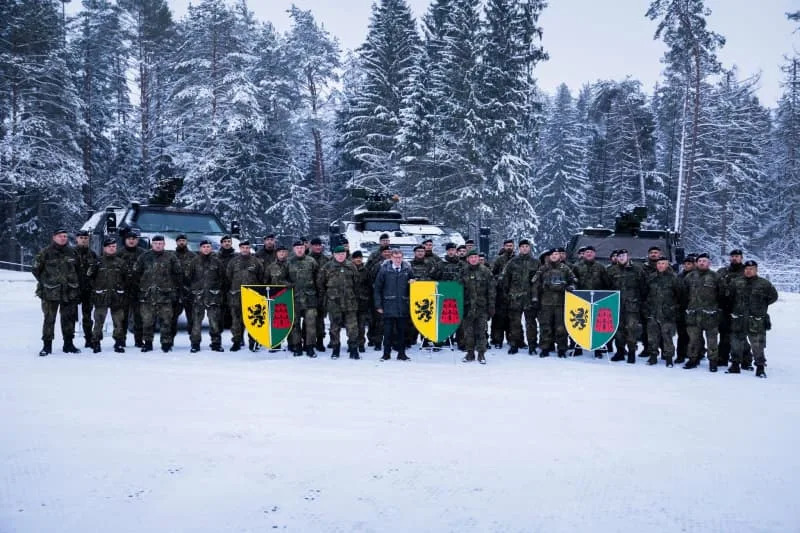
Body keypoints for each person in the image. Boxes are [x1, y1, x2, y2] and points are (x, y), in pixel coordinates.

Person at [32, 228, 82, 356]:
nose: (63, 238)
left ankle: (68, 344)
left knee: (68, 319)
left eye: (65, 236)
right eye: (60, 236)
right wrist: (47, 282)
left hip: (69, 292)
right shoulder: (45, 253)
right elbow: (36, 270)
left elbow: (79, 270)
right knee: (49, 319)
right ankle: (47, 346)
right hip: (50, 292)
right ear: (54, 237)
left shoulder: (73, 253)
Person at [726, 260, 778, 377]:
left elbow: (773, 297)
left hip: (756, 320)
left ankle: (760, 367)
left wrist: (760, 307)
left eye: (751, 269)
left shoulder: (764, 284)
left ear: (756, 270)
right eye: (746, 269)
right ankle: (735, 365)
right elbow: (729, 298)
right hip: (739, 318)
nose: (748, 271)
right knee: (736, 343)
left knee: (758, 344)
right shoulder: (736, 282)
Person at [133, 235, 183, 352]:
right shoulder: (144, 257)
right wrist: (139, 289)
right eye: (156, 243)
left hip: (165, 296)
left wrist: (176, 291)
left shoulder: (171, 257)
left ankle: (166, 343)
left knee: (166, 321)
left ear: (164, 244)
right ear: (152, 244)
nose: (158, 245)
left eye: (160, 243)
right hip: (147, 295)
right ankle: (148, 343)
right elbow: (136, 273)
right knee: (147, 321)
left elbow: (178, 275)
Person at [86, 237, 129, 353]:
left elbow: (127, 279)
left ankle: (119, 342)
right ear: (104, 248)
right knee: (99, 321)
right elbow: (89, 278)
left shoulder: (121, 263)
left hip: (117, 297)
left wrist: (122, 290)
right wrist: (95, 289)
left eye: (114, 246)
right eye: (109, 246)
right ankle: (96, 342)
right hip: (101, 297)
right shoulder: (97, 262)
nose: (112, 248)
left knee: (118, 321)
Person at [682, 253, 723, 371]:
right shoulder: (689, 277)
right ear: (696, 263)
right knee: (693, 340)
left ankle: (713, 361)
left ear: (709, 263)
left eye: (704, 261)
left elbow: (722, 294)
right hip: (693, 314)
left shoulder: (715, 277)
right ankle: (693, 359)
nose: (701, 263)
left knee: (712, 340)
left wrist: (717, 308)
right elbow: (683, 294)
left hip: (710, 315)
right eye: (699, 261)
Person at [532, 249, 577, 358]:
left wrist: (571, 287)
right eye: (552, 254)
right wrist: (535, 298)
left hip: (561, 303)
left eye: (556, 254)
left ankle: (562, 349)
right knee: (545, 327)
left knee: (561, 327)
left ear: (559, 256)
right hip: (545, 303)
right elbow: (535, 284)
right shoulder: (543, 268)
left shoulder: (565, 268)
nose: (554, 256)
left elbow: (574, 280)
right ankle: (545, 348)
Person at [317, 246, 360, 359]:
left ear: (346, 254)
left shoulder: (351, 266)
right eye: (338, 254)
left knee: (352, 327)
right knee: (334, 327)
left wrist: (354, 297)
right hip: (333, 302)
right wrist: (327, 298)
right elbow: (320, 284)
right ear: (334, 255)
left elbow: (357, 284)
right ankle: (335, 349)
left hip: (349, 302)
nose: (341, 256)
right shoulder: (327, 267)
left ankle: (353, 349)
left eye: (343, 254)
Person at [373, 248, 415, 361]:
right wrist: (378, 305)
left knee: (402, 332)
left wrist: (413, 283)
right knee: (387, 332)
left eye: (400, 257)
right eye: (395, 257)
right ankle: (386, 354)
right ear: (391, 258)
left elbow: (414, 287)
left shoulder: (407, 270)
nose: (398, 259)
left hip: (402, 306)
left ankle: (402, 354)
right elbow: (377, 288)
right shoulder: (384, 270)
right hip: (388, 306)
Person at [501, 239, 540, 354]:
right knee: (514, 323)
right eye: (522, 247)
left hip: (530, 298)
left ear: (530, 248)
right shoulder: (512, 262)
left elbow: (539, 281)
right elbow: (505, 279)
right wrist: (507, 294)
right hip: (515, 298)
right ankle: (514, 345)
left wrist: (536, 296)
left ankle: (532, 346)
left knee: (531, 323)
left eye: (526, 246)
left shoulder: (536, 262)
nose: (524, 248)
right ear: (519, 248)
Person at [571, 245, 612, 357]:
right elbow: (573, 281)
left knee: (596, 325)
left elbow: (607, 283)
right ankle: (578, 347)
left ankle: (598, 348)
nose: (589, 254)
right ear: (583, 254)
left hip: (597, 300)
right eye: (587, 252)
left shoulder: (600, 267)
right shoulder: (576, 266)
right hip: (581, 299)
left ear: (594, 254)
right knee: (580, 323)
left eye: (591, 252)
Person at [187, 240, 227, 352]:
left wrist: (218, 292)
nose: (206, 249)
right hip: (198, 297)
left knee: (214, 322)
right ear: (200, 248)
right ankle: (195, 344)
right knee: (196, 323)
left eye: (208, 246)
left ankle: (216, 343)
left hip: (213, 297)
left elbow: (223, 278)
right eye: (204, 246)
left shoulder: (217, 262)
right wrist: (193, 290)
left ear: (211, 248)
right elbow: (188, 278)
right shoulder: (194, 262)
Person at [608, 249, 647, 364]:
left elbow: (643, 287)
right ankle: (620, 351)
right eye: (618, 256)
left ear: (627, 256)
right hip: (616, 305)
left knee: (631, 329)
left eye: (623, 256)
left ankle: (631, 353)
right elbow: (607, 286)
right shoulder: (611, 270)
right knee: (618, 330)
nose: (621, 258)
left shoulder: (637, 270)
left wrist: (640, 302)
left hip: (632, 306)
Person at [226, 240, 265, 352]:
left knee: (253, 318)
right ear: (240, 248)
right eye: (243, 247)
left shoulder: (256, 262)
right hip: (236, 295)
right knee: (236, 320)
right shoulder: (233, 262)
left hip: (252, 295)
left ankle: (253, 342)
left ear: (249, 249)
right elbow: (228, 276)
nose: (245, 249)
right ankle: (237, 342)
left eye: (247, 247)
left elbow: (261, 276)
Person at [644, 256, 683, 367]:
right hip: (653, 312)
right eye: (659, 263)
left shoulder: (674, 278)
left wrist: (675, 309)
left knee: (667, 336)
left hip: (668, 313)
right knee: (652, 336)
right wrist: (647, 308)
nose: (660, 265)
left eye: (663, 263)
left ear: (667, 265)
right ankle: (653, 356)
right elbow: (645, 293)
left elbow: (680, 295)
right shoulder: (651, 278)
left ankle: (669, 357)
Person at [460, 250, 495, 364]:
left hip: (482, 307)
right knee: (468, 332)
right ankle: (470, 353)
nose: (474, 259)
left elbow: (491, 291)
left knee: (481, 331)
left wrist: (491, 306)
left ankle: (481, 354)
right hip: (467, 307)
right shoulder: (463, 272)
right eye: (471, 257)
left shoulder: (486, 271)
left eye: (475, 257)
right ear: (468, 259)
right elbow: (458, 290)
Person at [287, 240, 320, 357]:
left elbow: (318, 279)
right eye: (297, 248)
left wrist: (318, 295)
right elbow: (282, 279)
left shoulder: (311, 261)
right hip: (294, 298)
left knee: (310, 324)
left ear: (304, 248)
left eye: (301, 247)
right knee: (294, 324)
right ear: (293, 249)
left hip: (309, 298)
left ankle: (310, 346)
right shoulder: (288, 262)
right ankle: (297, 346)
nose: (300, 250)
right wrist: (289, 285)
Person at [717, 249, 745, 366]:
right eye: (733, 256)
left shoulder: (746, 271)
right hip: (725, 307)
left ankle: (745, 360)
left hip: (740, 308)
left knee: (741, 335)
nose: (734, 258)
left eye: (737, 256)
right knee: (724, 334)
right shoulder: (723, 271)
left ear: (741, 258)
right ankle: (722, 358)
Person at [117, 230, 145, 347]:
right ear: (125, 240)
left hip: (138, 289)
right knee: (122, 317)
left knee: (139, 316)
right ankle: (121, 340)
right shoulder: (119, 254)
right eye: (129, 239)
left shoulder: (143, 254)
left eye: (134, 239)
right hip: (123, 290)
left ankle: (138, 340)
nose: (131, 241)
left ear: (137, 240)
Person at [74, 229, 97, 347]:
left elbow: (97, 272)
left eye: (86, 238)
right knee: (70, 317)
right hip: (73, 290)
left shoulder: (92, 254)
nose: (83, 240)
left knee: (87, 316)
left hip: (88, 290)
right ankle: (69, 342)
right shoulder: (70, 253)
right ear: (76, 239)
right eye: (81, 238)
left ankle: (89, 339)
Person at [489, 239, 515, 349]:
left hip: (513, 293)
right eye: (507, 245)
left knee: (512, 318)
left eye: (511, 246)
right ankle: (497, 340)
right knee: (498, 319)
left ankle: (512, 339)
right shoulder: (499, 260)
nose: (509, 247)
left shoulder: (516, 260)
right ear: (504, 246)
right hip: (500, 293)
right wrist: (499, 279)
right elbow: (492, 274)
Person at [675, 254, 697, 364]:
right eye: (685, 264)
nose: (687, 266)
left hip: (694, 309)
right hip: (681, 308)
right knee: (682, 334)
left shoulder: (697, 276)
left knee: (694, 335)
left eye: (689, 264)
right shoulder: (679, 277)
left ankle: (695, 354)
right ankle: (681, 355)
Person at [171, 233, 195, 336]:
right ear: (176, 242)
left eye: (183, 240)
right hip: (175, 291)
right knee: (172, 317)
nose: (182, 242)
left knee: (192, 317)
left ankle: (194, 340)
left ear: (186, 242)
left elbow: (197, 273)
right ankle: (169, 340)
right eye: (180, 240)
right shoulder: (171, 256)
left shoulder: (193, 256)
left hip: (189, 291)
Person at [351, 251, 372, 353]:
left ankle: (361, 344)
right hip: (351, 301)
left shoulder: (366, 271)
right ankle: (352, 343)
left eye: (360, 257)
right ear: (352, 259)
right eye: (356, 258)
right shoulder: (349, 269)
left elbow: (370, 286)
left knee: (361, 325)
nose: (358, 259)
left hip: (363, 301)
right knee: (351, 325)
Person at [216, 235, 237, 332]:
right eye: (224, 241)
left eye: (229, 241)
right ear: (221, 243)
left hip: (233, 286)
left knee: (233, 307)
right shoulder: (216, 257)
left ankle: (232, 327)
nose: (227, 243)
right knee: (219, 308)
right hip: (220, 286)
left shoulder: (237, 257)